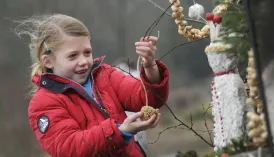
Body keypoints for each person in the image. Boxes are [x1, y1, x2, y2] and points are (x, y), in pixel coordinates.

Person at [15, 14, 169, 157]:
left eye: (87, 53)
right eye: (72, 56)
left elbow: (146, 98)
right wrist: (120, 132)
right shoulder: (43, 103)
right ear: (48, 61)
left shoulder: (106, 75)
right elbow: (69, 147)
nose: (83, 61)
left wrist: (149, 66)